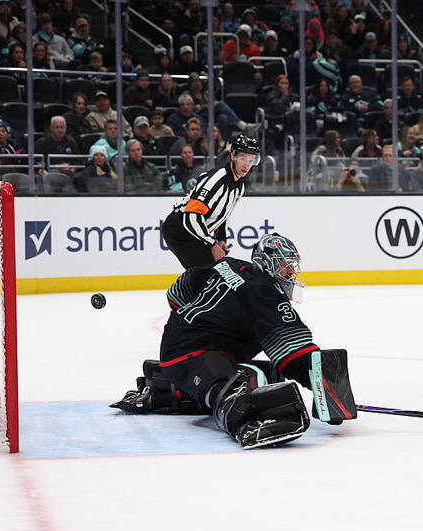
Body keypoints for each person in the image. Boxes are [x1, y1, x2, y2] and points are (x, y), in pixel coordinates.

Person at [111, 233, 357, 449]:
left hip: (182, 344)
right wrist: (321, 387)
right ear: (266, 263)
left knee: (267, 376)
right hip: (197, 353)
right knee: (233, 392)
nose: (290, 273)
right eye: (285, 267)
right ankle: (245, 420)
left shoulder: (228, 264)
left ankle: (166, 387)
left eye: (292, 267)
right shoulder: (266, 292)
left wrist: (197, 320)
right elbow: (293, 352)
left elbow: (178, 291)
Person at [162, 135, 260, 269]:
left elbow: (223, 214)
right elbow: (192, 215)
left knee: (213, 271)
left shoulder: (239, 185)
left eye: (251, 160)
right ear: (233, 156)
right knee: (208, 273)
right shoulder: (216, 181)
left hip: (195, 232)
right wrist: (212, 244)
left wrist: (221, 239)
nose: (247, 165)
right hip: (179, 229)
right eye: (243, 158)